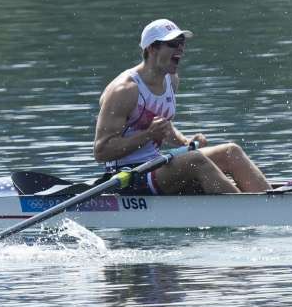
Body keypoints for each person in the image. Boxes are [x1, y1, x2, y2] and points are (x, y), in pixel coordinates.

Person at [94, 19, 271, 195]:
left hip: (156, 166)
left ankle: (270, 205)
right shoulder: (124, 90)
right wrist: (148, 135)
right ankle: (245, 211)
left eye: (182, 43)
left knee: (231, 151)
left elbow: (163, 128)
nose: (180, 49)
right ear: (152, 48)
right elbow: (102, 151)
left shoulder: (171, 80)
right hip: (128, 177)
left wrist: (186, 142)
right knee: (195, 160)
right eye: (173, 44)